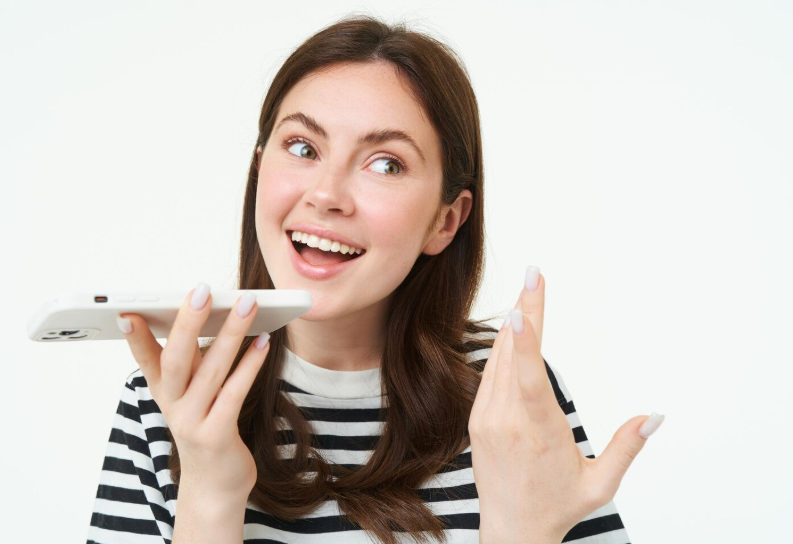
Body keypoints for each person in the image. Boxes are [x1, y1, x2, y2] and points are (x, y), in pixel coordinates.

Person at [87, 14, 663, 544]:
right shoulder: (170, 400)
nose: (327, 195)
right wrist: (210, 497)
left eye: (385, 163)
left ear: (446, 220)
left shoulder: (506, 394)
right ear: (259, 167)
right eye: (302, 146)